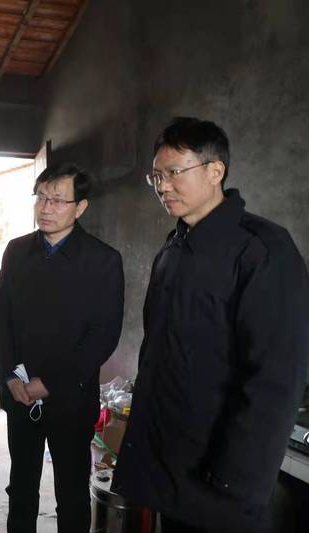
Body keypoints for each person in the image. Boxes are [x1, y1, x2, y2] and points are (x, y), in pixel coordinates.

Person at [112, 117, 309, 532]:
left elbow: (275, 379)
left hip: (221, 474)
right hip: (171, 463)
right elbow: (159, 354)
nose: (163, 186)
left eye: (174, 173)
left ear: (215, 171)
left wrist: (234, 479)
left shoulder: (262, 250)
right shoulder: (174, 248)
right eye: (156, 177)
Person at [0, 163, 124, 532]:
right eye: (41, 198)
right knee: (21, 489)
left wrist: (48, 383)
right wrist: (9, 377)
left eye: (58, 201)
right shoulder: (17, 251)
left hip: (71, 398)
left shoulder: (103, 260)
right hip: (20, 394)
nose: (46, 208)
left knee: (72, 493)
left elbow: (103, 336)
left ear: (80, 207)